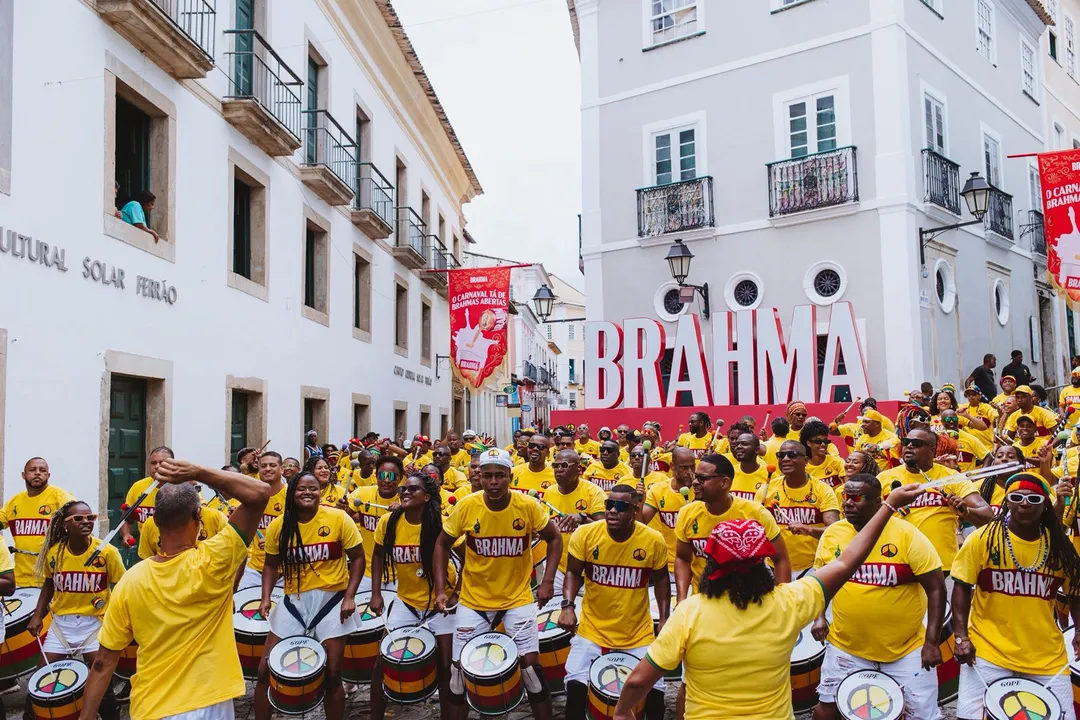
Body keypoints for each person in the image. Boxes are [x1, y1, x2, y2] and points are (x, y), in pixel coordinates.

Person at [610, 481, 927, 720]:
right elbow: (846, 564)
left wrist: (623, 713)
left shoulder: (689, 613)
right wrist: (888, 507)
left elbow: (638, 681)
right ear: (763, 562)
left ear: (712, 564)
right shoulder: (789, 602)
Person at [77, 461, 271, 720]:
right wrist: (198, 472)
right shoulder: (215, 560)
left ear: (154, 520)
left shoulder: (130, 580)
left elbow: (102, 663)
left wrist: (86, 717)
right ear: (198, 517)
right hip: (209, 703)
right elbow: (259, 493)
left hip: (151, 706)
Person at [433, 449, 562, 720]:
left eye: (499, 476)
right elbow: (442, 544)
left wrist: (547, 580)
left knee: (532, 672)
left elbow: (554, 538)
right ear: (479, 477)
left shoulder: (527, 505)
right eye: (487, 475)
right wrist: (442, 589)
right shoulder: (467, 505)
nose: (493, 482)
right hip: (474, 601)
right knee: (459, 674)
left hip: (517, 600)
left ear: (510, 477)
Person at [810, 475, 947, 720]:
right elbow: (822, 583)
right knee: (827, 709)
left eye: (857, 498)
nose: (848, 504)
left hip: (906, 650)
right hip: (846, 647)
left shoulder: (907, 534)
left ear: (878, 502)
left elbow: (936, 588)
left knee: (921, 715)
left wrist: (932, 641)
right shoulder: (833, 534)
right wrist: (819, 617)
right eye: (846, 497)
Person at [952, 473, 1080, 719]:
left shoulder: (1060, 547)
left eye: (1033, 498)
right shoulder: (983, 538)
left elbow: (1075, 593)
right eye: (1017, 497)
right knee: (969, 716)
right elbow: (961, 586)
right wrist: (961, 637)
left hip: (1046, 657)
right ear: (1007, 501)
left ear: (1045, 505)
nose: (1024, 503)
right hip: (987, 651)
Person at [254, 471, 365, 720]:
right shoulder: (278, 526)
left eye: (313, 488)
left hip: (332, 602)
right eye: (301, 488)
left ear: (320, 491)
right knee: (265, 670)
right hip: (294, 601)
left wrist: (349, 596)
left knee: (333, 674)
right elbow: (270, 565)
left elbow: (358, 558)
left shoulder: (338, 519)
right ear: (292, 493)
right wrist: (265, 597)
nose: (307, 492)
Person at [559, 485, 669, 720]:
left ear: (635, 510)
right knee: (575, 685)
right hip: (592, 629)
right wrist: (567, 606)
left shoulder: (653, 540)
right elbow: (572, 573)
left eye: (620, 507)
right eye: (609, 505)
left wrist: (665, 619)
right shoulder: (585, 534)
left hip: (637, 632)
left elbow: (661, 580)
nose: (612, 511)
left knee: (655, 690)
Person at [368, 471, 457, 720]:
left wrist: (457, 594)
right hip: (406, 602)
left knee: (446, 668)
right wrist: (376, 593)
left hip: (442, 604)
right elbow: (377, 555)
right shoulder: (390, 521)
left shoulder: (442, 522)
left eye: (412, 489)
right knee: (381, 664)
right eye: (403, 489)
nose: (405, 492)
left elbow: (469, 556)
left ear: (427, 496)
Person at [26, 501, 124, 719]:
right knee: (41, 677)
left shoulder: (108, 552)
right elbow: (49, 584)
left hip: (94, 625)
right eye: (78, 519)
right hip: (62, 624)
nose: (86, 522)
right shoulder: (54, 553)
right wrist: (37, 615)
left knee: (101, 676)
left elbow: (121, 587)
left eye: (90, 518)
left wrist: (118, 620)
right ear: (65, 525)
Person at [676, 453, 791, 602]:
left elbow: (781, 559)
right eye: (695, 477)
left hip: (748, 603)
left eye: (702, 478)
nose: (695, 483)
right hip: (704, 602)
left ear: (724, 483)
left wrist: (781, 601)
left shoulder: (756, 513)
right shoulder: (687, 513)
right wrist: (681, 600)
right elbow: (682, 559)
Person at [878, 428, 993, 574]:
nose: (909, 446)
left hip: (940, 564)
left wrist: (965, 511)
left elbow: (988, 515)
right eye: (906, 442)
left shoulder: (951, 477)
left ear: (932, 450)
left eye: (917, 443)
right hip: (897, 561)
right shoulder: (884, 478)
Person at [756, 440, 840, 576]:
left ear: (806, 460)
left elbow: (835, 529)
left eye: (792, 454)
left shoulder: (823, 490)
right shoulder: (767, 489)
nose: (785, 459)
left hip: (811, 568)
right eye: (781, 455)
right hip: (773, 565)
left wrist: (809, 529)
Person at [0, 458, 75, 587]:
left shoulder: (60, 497)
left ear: (48, 475)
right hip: (20, 578)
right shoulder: (15, 502)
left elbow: (79, 519)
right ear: (24, 475)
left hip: (51, 577)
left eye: (42, 470)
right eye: (32, 470)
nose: (37, 473)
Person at [540, 449, 606, 592]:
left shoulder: (593, 492)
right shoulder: (549, 493)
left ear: (578, 469)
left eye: (564, 465)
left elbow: (604, 528)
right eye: (555, 466)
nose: (558, 470)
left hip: (589, 568)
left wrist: (582, 518)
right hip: (558, 568)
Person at [346, 456, 404, 593]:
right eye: (382, 475)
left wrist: (403, 509)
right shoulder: (362, 494)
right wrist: (342, 508)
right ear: (376, 476)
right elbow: (344, 517)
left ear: (400, 478)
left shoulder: (407, 499)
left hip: (400, 575)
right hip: (366, 573)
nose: (387, 480)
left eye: (392, 476)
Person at [236, 451, 288, 591]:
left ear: (282, 469)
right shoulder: (251, 495)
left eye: (272, 465)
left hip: (286, 570)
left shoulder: (291, 496)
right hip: (255, 568)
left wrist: (276, 540)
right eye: (263, 466)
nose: (268, 469)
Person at [642, 448, 695, 577]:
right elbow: (641, 522)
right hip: (669, 564)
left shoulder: (704, 489)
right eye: (683, 468)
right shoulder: (658, 490)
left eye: (692, 467)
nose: (689, 472)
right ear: (672, 466)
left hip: (699, 565)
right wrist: (639, 503)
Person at [118, 446, 174, 551]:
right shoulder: (138, 487)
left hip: (177, 553)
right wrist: (126, 535)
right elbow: (127, 518)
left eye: (162, 463)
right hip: (147, 553)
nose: (157, 466)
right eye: (153, 463)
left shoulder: (183, 487)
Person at [801, 420, 844, 490]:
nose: (823, 445)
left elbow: (849, 487)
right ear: (808, 443)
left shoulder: (837, 462)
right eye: (818, 441)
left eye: (826, 441)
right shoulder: (802, 469)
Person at [729, 433, 772, 501]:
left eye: (744, 444)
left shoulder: (770, 477)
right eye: (737, 444)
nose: (738, 447)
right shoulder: (729, 473)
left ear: (757, 450)